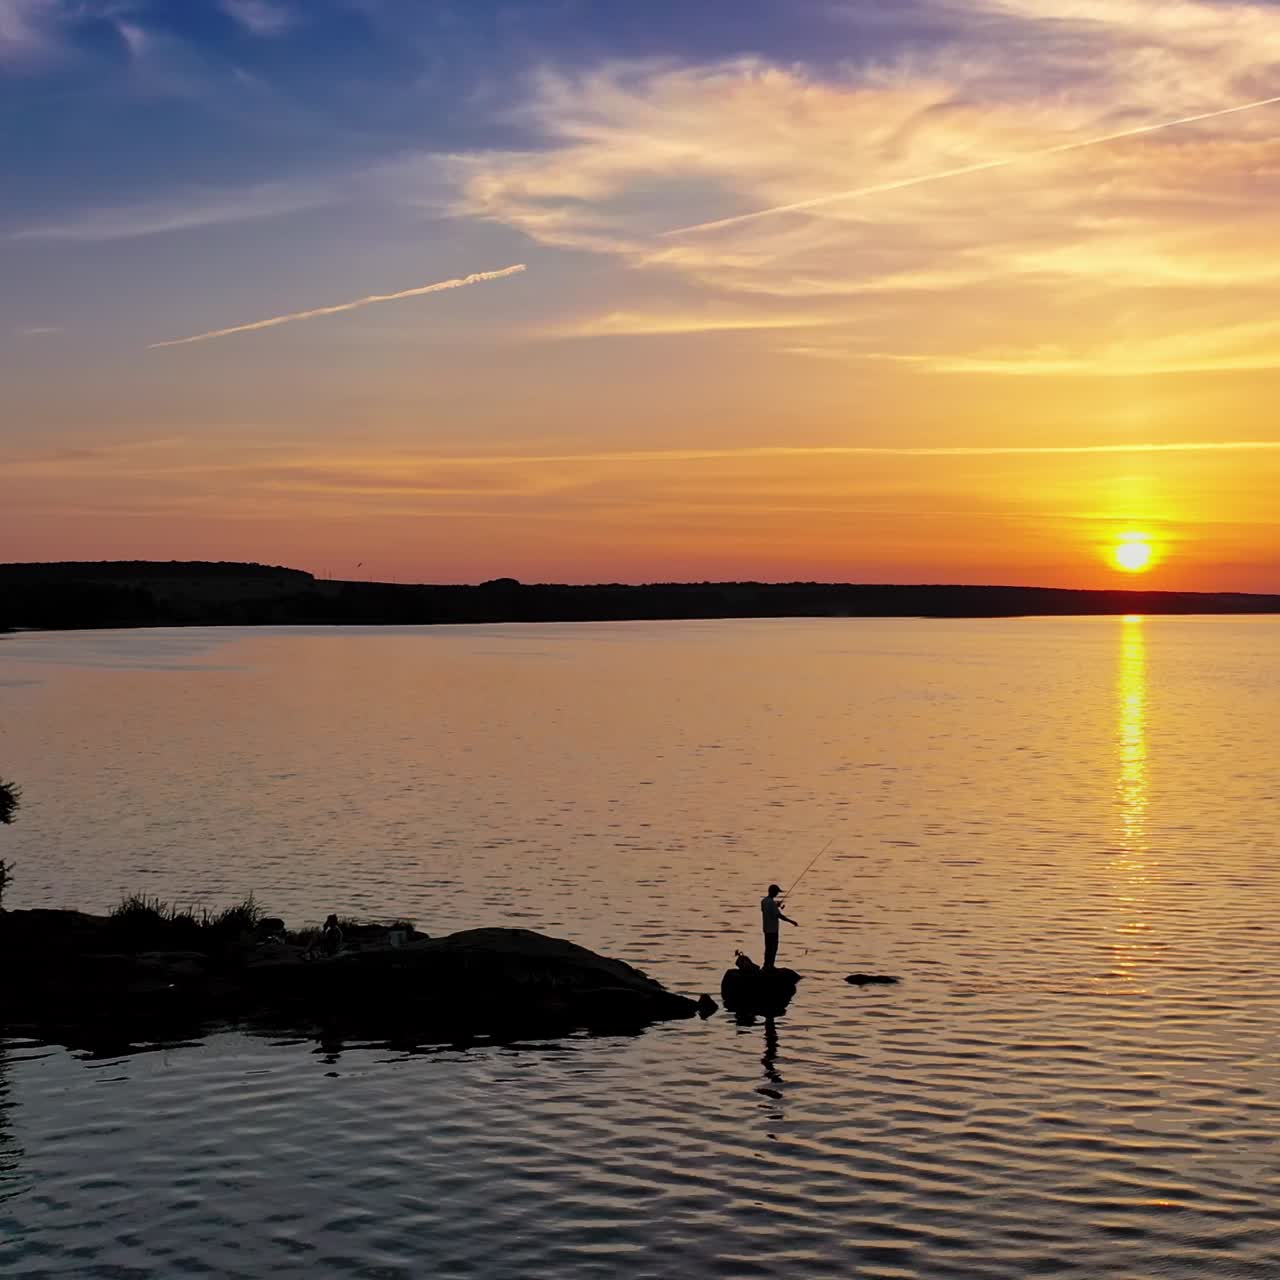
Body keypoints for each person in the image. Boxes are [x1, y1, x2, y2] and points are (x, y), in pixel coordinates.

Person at [761, 884, 796, 969]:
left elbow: (766, 910)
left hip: (766, 929)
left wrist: (776, 906)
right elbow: (779, 916)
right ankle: (770, 966)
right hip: (773, 930)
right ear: (773, 892)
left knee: (768, 948)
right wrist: (791, 921)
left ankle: (766, 965)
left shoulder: (764, 901)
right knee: (773, 948)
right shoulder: (772, 903)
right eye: (776, 892)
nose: (777, 894)